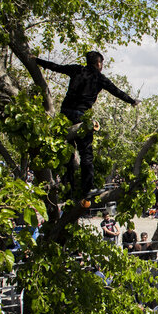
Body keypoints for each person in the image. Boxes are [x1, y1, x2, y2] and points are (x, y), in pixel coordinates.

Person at [35, 51, 140, 205]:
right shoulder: (99, 78)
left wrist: (37, 60)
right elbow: (116, 91)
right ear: (98, 63)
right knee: (86, 154)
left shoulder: (76, 69)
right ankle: (87, 188)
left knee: (67, 154)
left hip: (64, 115)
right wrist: (131, 101)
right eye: (102, 63)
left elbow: (55, 67)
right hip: (80, 116)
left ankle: (67, 188)